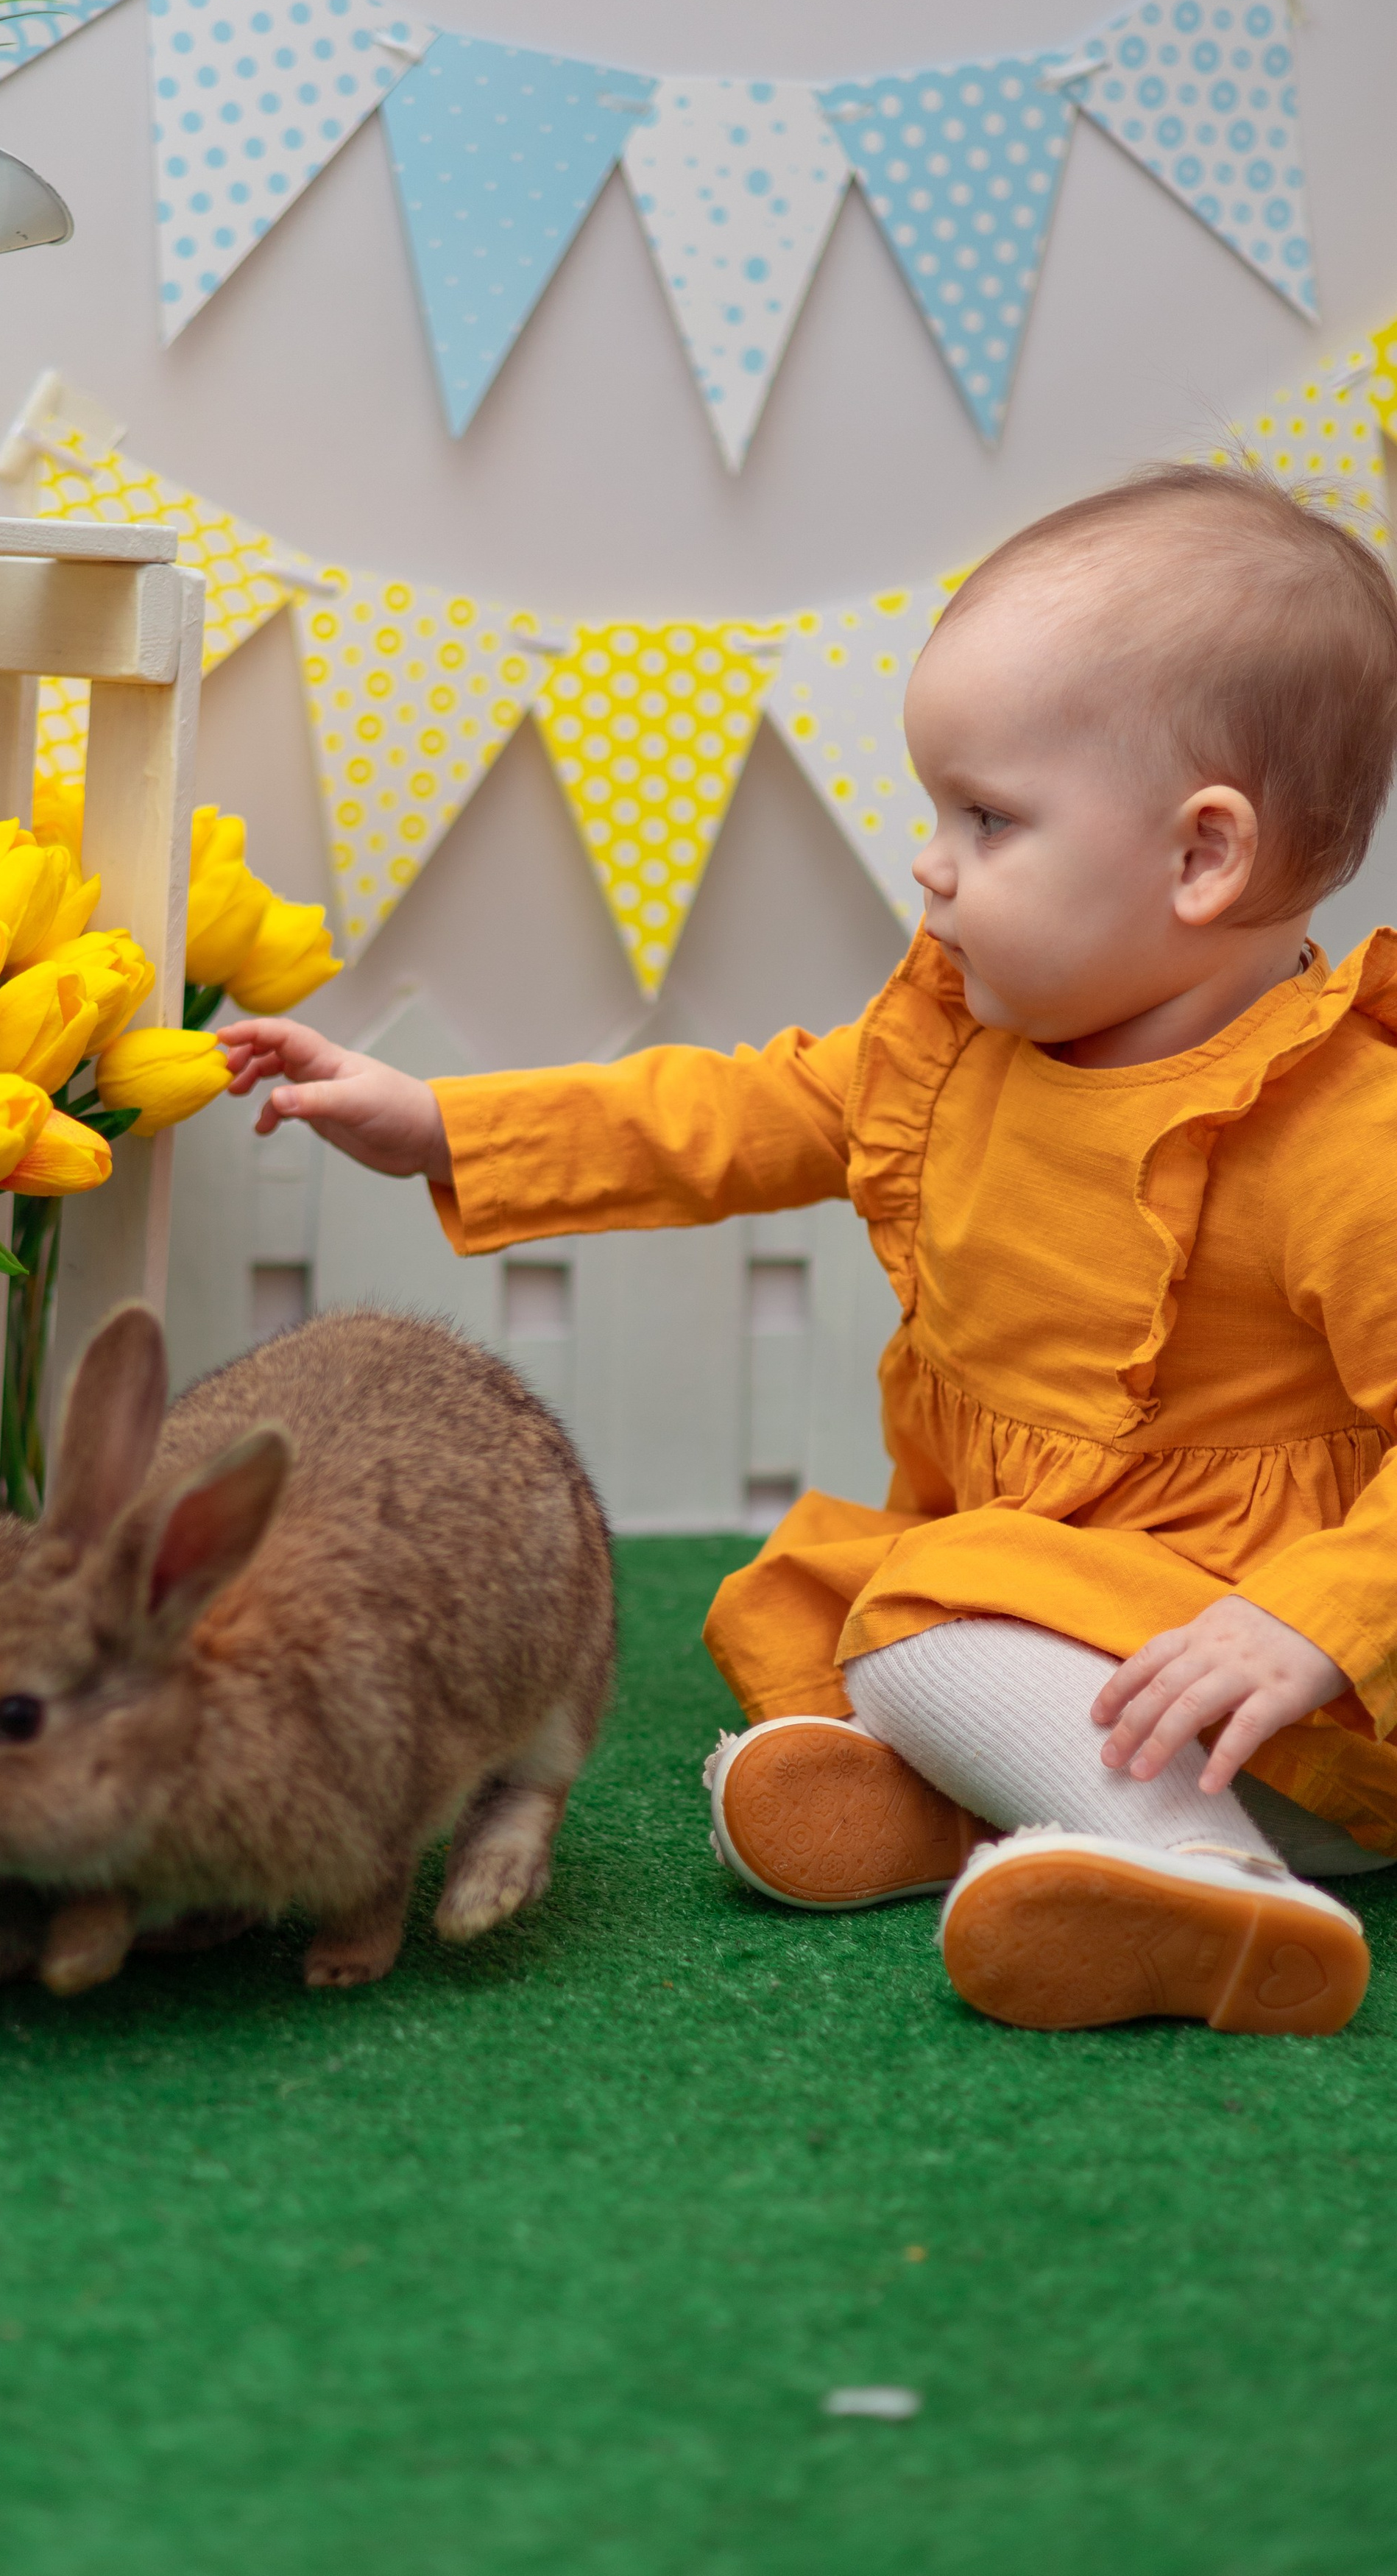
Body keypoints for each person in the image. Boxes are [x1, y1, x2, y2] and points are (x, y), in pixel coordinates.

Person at [218, 463, 1397, 2039]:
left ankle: (1220, 1891)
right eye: (935, 812)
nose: (928, 862)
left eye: (986, 819)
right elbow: (719, 1117)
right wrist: (437, 1120)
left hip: (1284, 1674)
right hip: (1084, 1606)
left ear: (1200, 859)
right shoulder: (958, 1050)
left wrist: (1312, 1619)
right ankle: (974, 1815)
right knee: (808, 1599)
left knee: (916, 1625)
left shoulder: (1339, 1131)